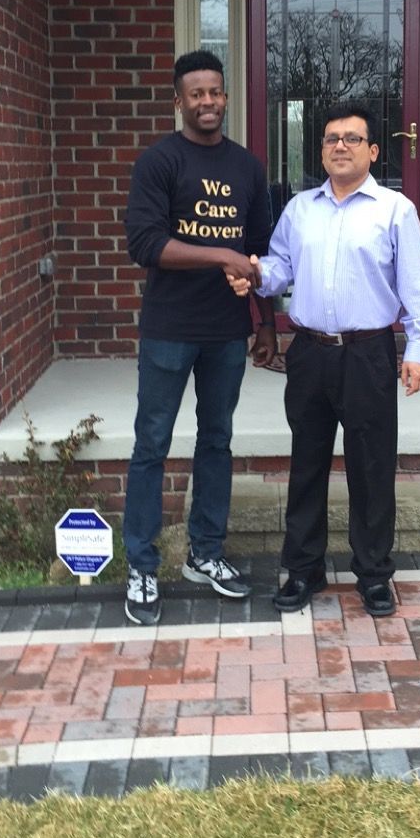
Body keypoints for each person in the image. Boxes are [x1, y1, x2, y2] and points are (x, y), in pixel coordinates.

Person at [228, 103, 420, 619]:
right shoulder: (301, 209)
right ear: (320, 151)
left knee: (372, 468)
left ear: (372, 150)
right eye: (330, 139)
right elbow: (280, 268)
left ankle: (373, 574)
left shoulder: (395, 210)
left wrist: (417, 349)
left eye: (351, 138)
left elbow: (417, 285)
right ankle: (303, 568)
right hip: (310, 353)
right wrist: (255, 276)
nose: (339, 146)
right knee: (306, 465)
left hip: (367, 353)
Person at [122, 50, 275, 625]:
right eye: (196, 93)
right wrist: (220, 253)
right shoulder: (159, 162)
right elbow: (145, 244)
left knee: (216, 442)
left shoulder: (247, 167)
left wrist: (265, 324)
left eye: (215, 92)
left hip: (226, 332)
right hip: (168, 329)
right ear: (179, 100)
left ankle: (204, 554)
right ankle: (141, 564)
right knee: (151, 446)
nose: (207, 102)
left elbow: (259, 252)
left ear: (225, 97)